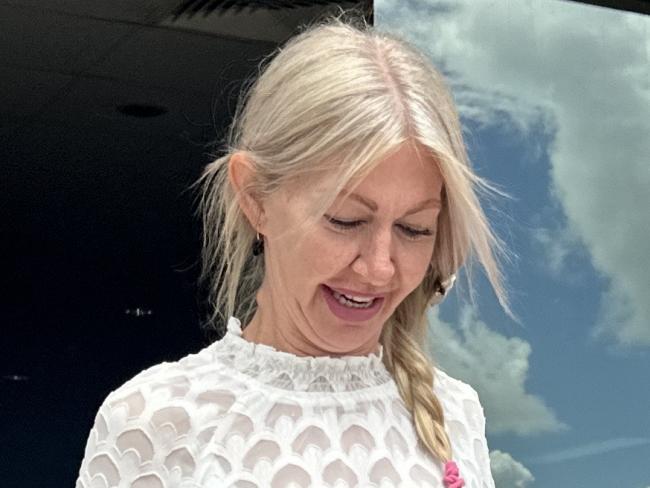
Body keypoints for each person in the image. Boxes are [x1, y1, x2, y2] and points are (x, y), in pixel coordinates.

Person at [76, 12, 513, 488]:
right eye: (345, 220)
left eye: (414, 228)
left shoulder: (457, 415)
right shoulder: (156, 422)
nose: (379, 267)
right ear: (255, 199)